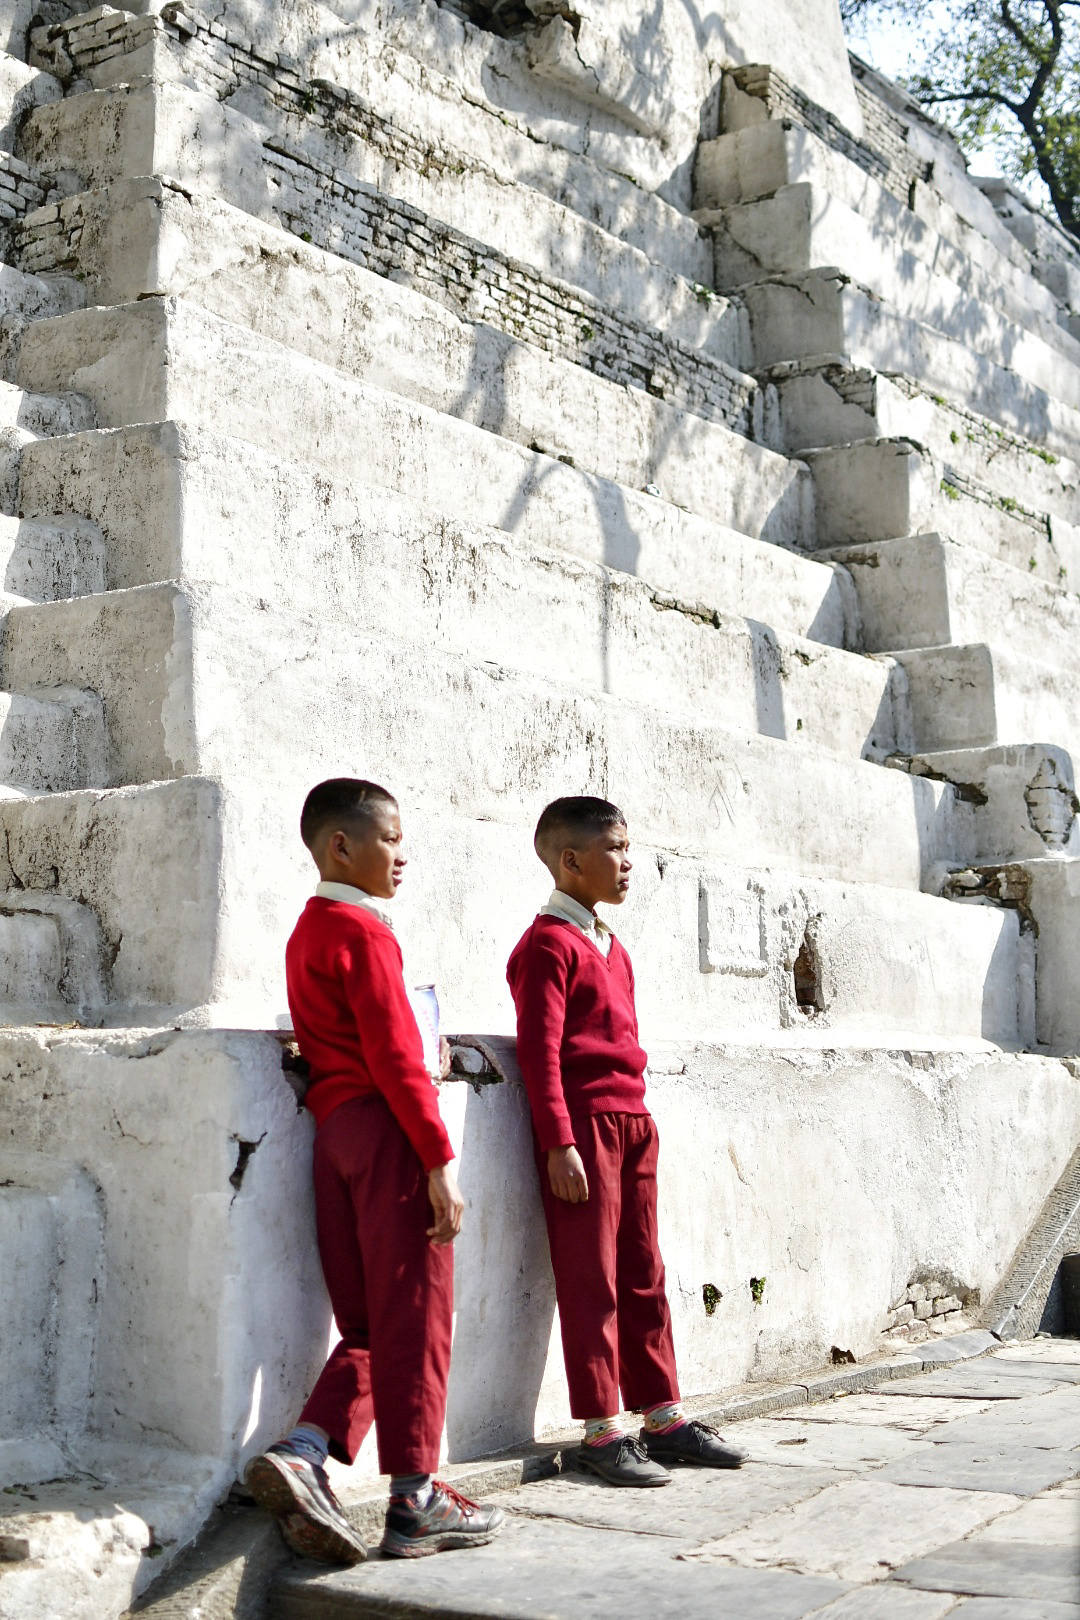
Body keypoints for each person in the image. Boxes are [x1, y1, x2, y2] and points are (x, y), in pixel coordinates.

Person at [244, 778, 505, 1561]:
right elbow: (396, 1059)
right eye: (389, 838)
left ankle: (305, 1453)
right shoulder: (365, 931)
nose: (403, 854)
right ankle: (416, 1500)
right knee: (418, 1319)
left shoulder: (307, 930)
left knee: (366, 1325)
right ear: (340, 847)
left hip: (334, 1138)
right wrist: (438, 1159)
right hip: (389, 1135)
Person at [506, 795, 746, 1487]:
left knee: (644, 1270)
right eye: (615, 849)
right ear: (571, 860)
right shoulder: (546, 945)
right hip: (582, 1130)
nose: (628, 862)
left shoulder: (612, 945)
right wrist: (558, 1143)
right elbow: (539, 1055)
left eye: (627, 847)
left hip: (633, 1122)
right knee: (592, 1279)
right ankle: (602, 1429)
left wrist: (641, 1121)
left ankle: (663, 1416)